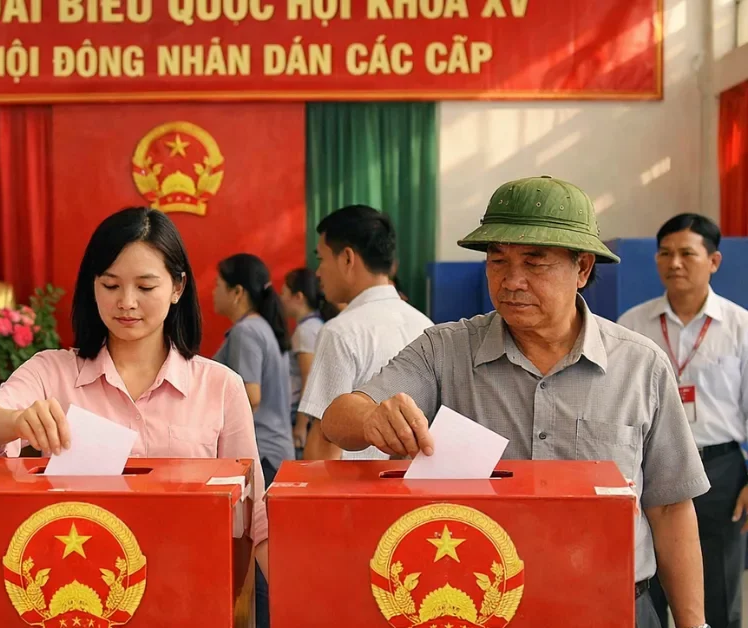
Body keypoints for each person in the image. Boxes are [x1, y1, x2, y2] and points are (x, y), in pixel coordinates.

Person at [321, 176, 710, 628]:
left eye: (534, 262)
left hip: (612, 608)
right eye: (498, 261)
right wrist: (373, 417)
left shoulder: (641, 367)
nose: (511, 280)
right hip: (480, 609)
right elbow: (337, 418)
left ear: (582, 268)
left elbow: (669, 508)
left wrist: (693, 623)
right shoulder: (444, 352)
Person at [0, 207, 269, 576]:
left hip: (188, 582)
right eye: (111, 285)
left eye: (146, 287)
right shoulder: (52, 371)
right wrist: (17, 421)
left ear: (177, 288)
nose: (127, 302)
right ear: (93, 285)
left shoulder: (219, 386)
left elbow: (254, 511)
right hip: (76, 587)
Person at [617, 213, 748, 628]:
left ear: (714, 261)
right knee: (643, 589)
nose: (674, 263)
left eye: (686, 254)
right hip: (646, 470)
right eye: (665, 253)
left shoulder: (740, 327)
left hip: (720, 470)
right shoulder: (632, 326)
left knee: (719, 593)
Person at [298, 205, 433, 461]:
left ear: (347, 258)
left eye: (321, 259)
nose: (318, 272)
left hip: (355, 493)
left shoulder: (340, 331)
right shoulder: (427, 326)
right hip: (415, 490)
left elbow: (324, 440)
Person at [212, 253, 296, 485]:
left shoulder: (246, 332)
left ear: (237, 292)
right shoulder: (262, 327)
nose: (213, 293)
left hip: (262, 453)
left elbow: (252, 396)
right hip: (275, 450)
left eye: (217, 285)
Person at [280, 268, 339, 456]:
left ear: (298, 297)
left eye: (284, 293)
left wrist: (300, 425)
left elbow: (309, 378)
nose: (281, 299)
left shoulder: (305, 331)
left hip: (301, 414)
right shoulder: (316, 325)